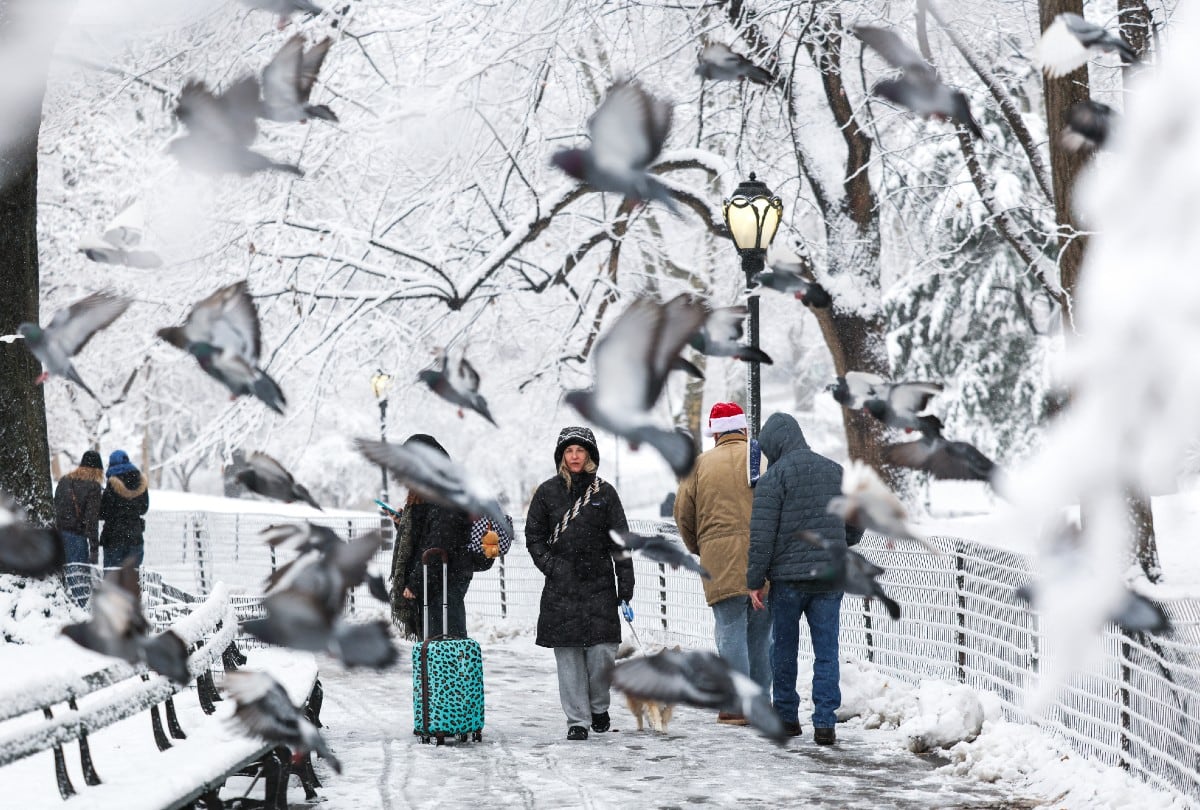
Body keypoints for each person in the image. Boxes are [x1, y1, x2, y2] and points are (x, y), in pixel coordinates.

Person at [746, 412, 862, 746]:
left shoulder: (773, 479)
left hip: (788, 580)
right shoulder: (835, 470)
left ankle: (786, 718)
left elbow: (762, 537)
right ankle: (825, 723)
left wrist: (755, 580)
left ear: (776, 445)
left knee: (784, 649)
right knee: (827, 651)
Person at [526, 426, 633, 741]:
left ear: (589, 455)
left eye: (580, 450)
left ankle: (599, 706)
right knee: (569, 654)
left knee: (603, 650)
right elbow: (534, 538)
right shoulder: (546, 493)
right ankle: (577, 720)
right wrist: (553, 566)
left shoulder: (606, 494)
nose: (574, 456)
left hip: (599, 582)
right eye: (569, 450)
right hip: (562, 585)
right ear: (562, 455)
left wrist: (625, 584)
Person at [674, 402, 771, 725]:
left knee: (730, 630)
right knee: (760, 633)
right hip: (764, 554)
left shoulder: (698, 465)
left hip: (718, 557)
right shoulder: (762, 458)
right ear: (743, 429)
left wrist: (700, 547)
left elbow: (683, 515)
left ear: (714, 434)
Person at [390, 434, 475, 640]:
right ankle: (433, 673)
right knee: (435, 645)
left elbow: (440, 542)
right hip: (438, 580)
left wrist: (416, 582)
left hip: (443, 581)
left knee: (443, 644)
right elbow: (427, 533)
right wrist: (402, 524)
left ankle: (442, 673)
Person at [54, 450, 105, 605]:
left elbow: (55, 505)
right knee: (79, 583)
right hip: (76, 538)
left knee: (62, 580)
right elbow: (91, 520)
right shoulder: (93, 487)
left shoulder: (64, 481)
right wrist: (94, 548)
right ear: (97, 469)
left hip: (58, 536)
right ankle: (82, 617)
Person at [99, 449, 150, 569]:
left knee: (112, 579)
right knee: (133, 579)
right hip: (135, 537)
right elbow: (144, 508)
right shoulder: (141, 482)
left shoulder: (112, 483)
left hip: (114, 538)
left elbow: (103, 511)